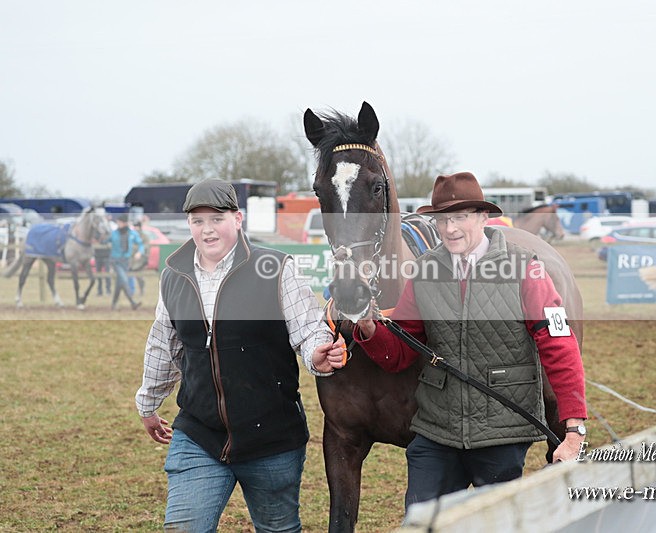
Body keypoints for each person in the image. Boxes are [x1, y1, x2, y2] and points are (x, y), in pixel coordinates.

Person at [346, 172, 588, 509]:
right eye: (443, 219)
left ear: (483, 216)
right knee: (419, 523)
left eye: (460, 218)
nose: (449, 229)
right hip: (437, 433)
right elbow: (399, 353)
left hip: (501, 432)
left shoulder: (526, 270)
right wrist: (369, 329)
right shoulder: (424, 272)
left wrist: (574, 429)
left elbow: (560, 346)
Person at [135, 178, 344, 532]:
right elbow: (164, 342)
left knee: (277, 528)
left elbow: (309, 327)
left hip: (271, 438)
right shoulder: (174, 275)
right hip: (199, 434)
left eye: (216, 219)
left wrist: (317, 355)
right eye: (198, 221)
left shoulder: (276, 268)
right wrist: (148, 403)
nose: (207, 229)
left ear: (237, 219)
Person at [108, 213, 144, 310]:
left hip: (126, 261)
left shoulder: (132, 233)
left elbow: (141, 244)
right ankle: (133, 303)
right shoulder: (114, 233)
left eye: (119, 222)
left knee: (119, 283)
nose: (118, 224)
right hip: (116, 261)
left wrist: (139, 252)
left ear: (124, 223)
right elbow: (105, 241)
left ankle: (114, 304)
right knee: (124, 280)